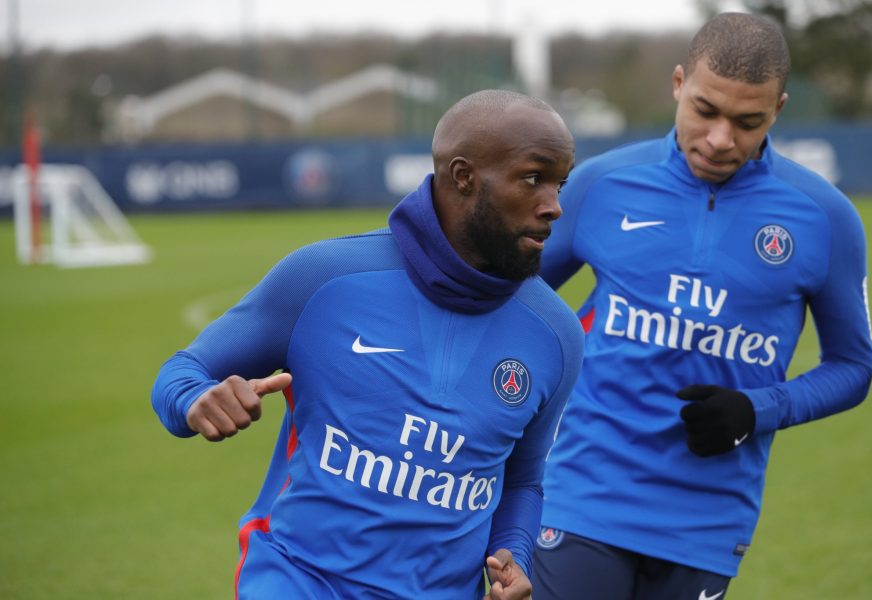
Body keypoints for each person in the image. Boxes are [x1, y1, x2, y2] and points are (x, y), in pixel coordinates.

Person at [151, 89, 584, 600]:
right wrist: (196, 400)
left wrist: (514, 557)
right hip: (297, 579)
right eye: (533, 178)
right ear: (463, 176)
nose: (554, 206)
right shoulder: (322, 279)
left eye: (560, 183)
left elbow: (523, 482)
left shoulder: (556, 334)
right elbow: (181, 373)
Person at [531, 12, 872, 600]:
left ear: (779, 110)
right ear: (677, 84)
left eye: (748, 122)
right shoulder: (601, 186)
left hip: (707, 522)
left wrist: (758, 408)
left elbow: (854, 367)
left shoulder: (825, 217)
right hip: (584, 494)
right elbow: (509, 301)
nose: (720, 139)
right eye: (705, 111)